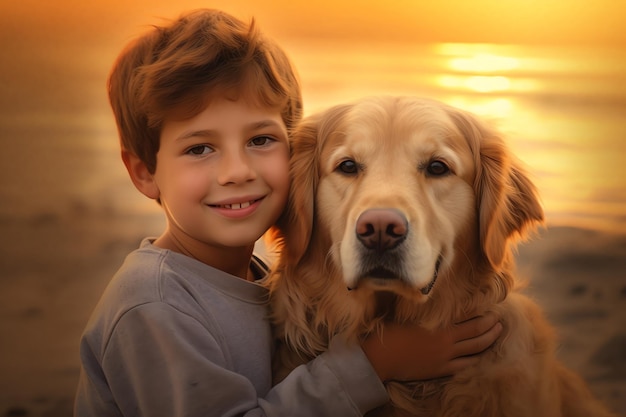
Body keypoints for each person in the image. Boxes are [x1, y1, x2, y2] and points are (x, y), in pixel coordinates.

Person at [74, 8, 503, 417]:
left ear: (297, 161)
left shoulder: (258, 281)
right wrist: (372, 366)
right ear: (145, 173)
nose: (237, 172)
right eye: (199, 148)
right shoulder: (154, 304)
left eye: (260, 140)